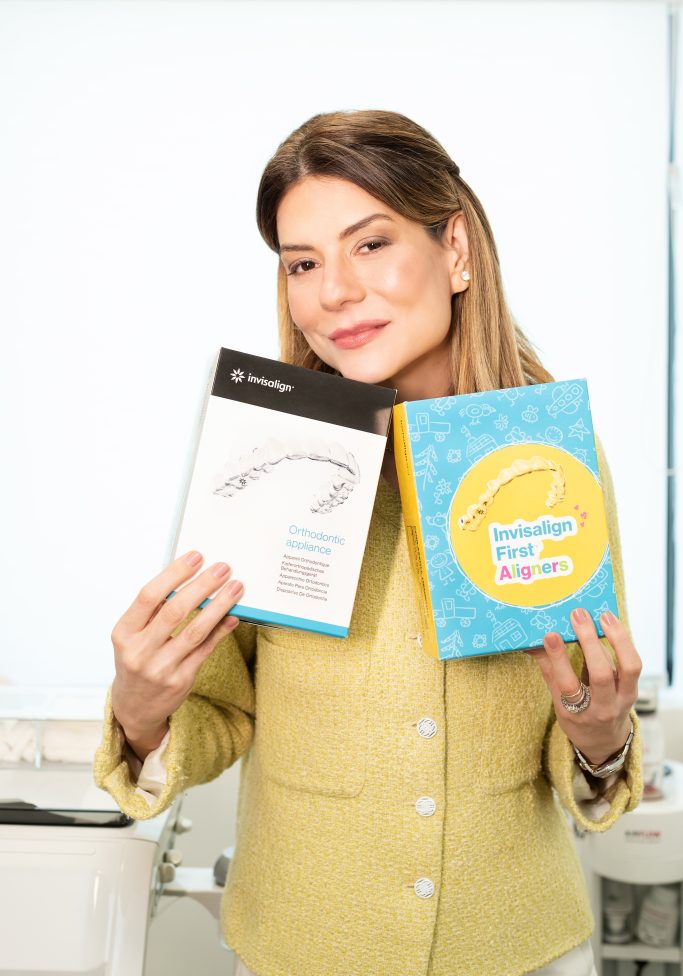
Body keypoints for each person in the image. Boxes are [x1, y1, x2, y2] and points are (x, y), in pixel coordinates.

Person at [93, 109, 644, 976]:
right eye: (302, 263)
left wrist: (600, 734)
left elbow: (574, 723)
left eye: (370, 244)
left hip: (522, 950)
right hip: (301, 948)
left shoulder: (548, 460)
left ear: (455, 249)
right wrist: (138, 710)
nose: (333, 293)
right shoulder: (267, 459)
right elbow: (220, 714)